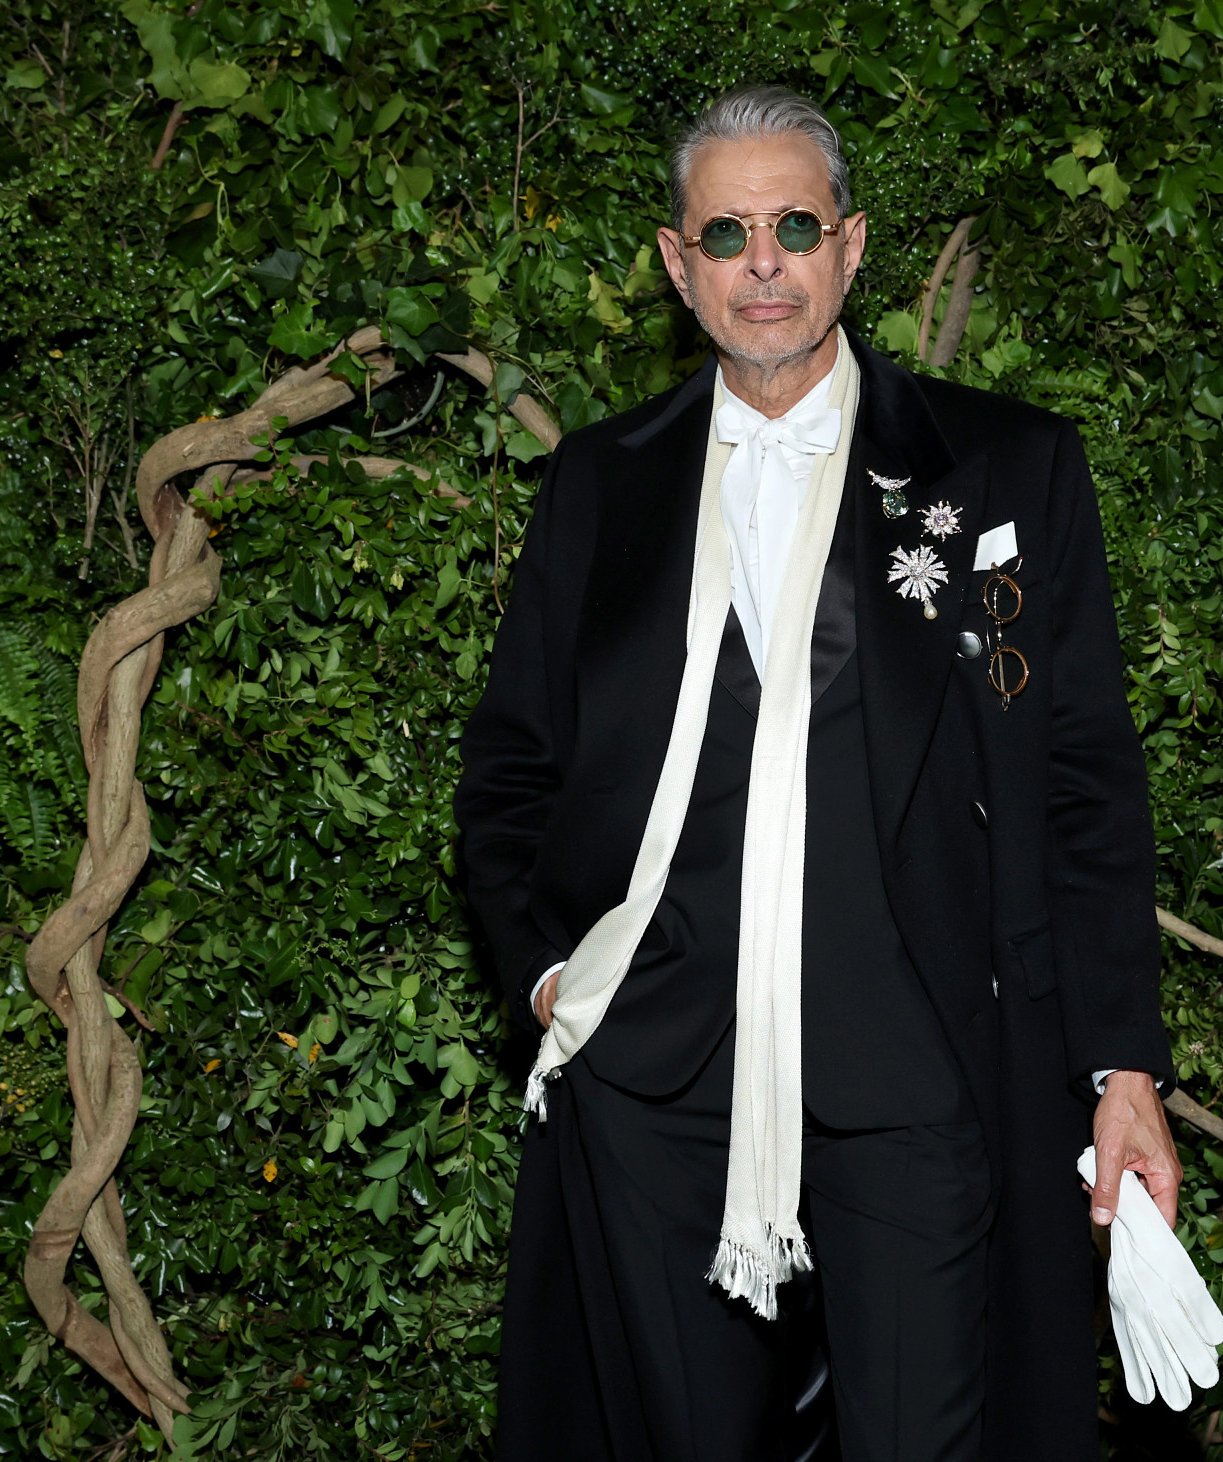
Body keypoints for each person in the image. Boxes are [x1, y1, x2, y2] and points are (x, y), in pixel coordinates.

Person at [454, 82, 1180, 1462]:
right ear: (680, 266)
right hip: (653, 1083)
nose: (764, 259)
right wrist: (554, 975)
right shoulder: (599, 488)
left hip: (915, 1071)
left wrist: (1123, 1064)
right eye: (727, 233)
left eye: (794, 222)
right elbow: (511, 771)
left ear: (852, 246)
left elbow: (1081, 781)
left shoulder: (1000, 473)